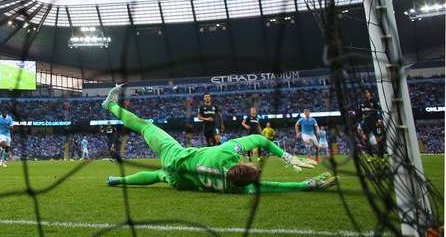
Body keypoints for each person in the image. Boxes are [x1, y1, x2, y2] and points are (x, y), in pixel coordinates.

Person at [102, 85, 335, 193]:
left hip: (176, 157)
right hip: (180, 181)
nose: (252, 162)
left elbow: (260, 140)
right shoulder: (237, 189)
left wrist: (287, 157)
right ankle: (115, 180)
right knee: (156, 176)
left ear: (241, 163)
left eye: (251, 163)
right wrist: (305, 185)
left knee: (145, 127)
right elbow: (274, 187)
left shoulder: (228, 152)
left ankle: (110, 105)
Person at [357, 90, 380, 154]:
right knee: (366, 138)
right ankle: (370, 155)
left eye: (367, 93)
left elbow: (378, 110)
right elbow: (360, 113)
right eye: (364, 93)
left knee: (378, 138)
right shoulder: (362, 103)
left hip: (375, 122)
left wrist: (379, 119)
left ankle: (380, 154)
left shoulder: (374, 101)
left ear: (369, 93)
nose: (366, 94)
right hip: (367, 123)